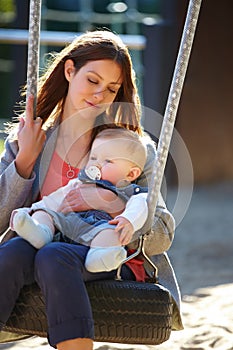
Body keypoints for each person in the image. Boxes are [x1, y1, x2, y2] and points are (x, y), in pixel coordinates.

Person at [0, 30, 183, 350]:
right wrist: (24, 163)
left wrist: (116, 208)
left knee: (55, 255)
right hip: (40, 253)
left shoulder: (132, 149)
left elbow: (163, 232)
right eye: (93, 80)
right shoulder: (29, 140)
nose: (100, 94)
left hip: (104, 258)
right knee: (13, 252)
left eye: (111, 88)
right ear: (69, 71)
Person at [10, 127, 149, 273]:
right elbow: (53, 200)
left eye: (108, 161)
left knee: (112, 233)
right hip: (66, 224)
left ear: (131, 173)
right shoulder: (79, 183)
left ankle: (99, 257)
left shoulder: (131, 192)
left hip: (97, 229)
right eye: (93, 158)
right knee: (45, 212)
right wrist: (31, 210)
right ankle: (40, 232)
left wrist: (128, 221)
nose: (96, 164)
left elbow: (140, 207)